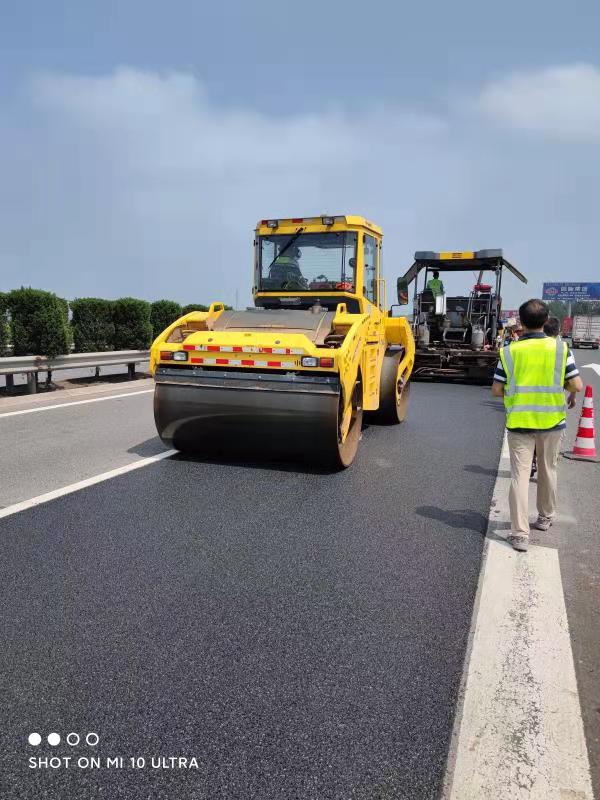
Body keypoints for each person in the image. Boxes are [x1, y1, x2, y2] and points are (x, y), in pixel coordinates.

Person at [491, 298, 582, 552]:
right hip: (551, 423)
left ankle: (520, 534)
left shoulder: (509, 351)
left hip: (520, 423)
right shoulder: (560, 349)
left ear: (521, 322)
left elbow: (496, 389)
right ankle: (545, 517)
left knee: (519, 476)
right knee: (548, 470)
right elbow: (576, 384)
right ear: (546, 320)